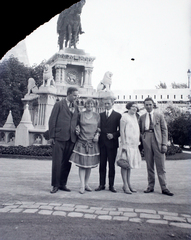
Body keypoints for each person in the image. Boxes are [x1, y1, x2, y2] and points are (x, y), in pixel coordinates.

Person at [139, 97, 174, 196]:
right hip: (147, 138)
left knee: (161, 165)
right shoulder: (142, 117)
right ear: (144, 106)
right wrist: (142, 140)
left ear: (153, 105)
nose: (148, 106)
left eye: (150, 104)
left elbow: (164, 130)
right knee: (149, 164)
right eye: (146, 105)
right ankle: (150, 186)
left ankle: (164, 187)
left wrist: (164, 144)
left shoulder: (159, 116)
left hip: (157, 140)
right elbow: (139, 130)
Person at [49, 87, 79, 194]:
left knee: (67, 163)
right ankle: (55, 185)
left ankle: (63, 184)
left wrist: (77, 129)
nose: (77, 97)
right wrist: (52, 137)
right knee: (57, 162)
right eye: (75, 95)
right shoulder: (59, 104)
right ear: (69, 94)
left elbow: (77, 121)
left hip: (71, 139)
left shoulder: (76, 106)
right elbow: (52, 120)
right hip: (59, 137)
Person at [70, 98, 100, 194]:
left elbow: (99, 128)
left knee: (89, 165)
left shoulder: (97, 115)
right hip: (82, 142)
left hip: (92, 143)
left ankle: (86, 184)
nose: (89, 106)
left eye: (91, 104)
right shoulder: (81, 114)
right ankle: (82, 185)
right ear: (85, 105)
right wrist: (77, 130)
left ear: (94, 105)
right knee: (82, 165)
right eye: (88, 104)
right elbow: (77, 125)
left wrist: (97, 135)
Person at [95, 96, 121, 193]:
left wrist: (114, 135)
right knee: (102, 165)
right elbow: (97, 127)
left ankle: (111, 185)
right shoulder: (100, 115)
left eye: (108, 103)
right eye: (105, 103)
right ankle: (101, 184)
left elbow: (121, 130)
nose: (106, 105)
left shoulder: (118, 115)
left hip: (112, 144)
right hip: (101, 144)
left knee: (111, 165)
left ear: (112, 103)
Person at [116, 102, 141, 194]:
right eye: (133, 107)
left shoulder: (135, 116)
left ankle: (128, 184)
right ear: (128, 107)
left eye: (136, 107)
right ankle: (125, 185)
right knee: (124, 164)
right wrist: (124, 144)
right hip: (126, 144)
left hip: (134, 145)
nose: (134, 108)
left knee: (129, 165)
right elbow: (122, 131)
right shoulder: (124, 116)